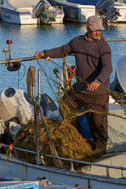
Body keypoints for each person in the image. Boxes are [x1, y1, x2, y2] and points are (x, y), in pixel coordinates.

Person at [34, 15, 111, 153]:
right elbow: (63, 50)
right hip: (80, 90)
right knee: (65, 105)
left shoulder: (103, 46)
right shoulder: (77, 42)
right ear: (87, 28)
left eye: (100, 30)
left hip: (98, 93)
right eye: (95, 30)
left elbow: (108, 67)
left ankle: (100, 149)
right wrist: (44, 53)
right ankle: (77, 136)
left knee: (97, 123)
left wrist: (98, 81)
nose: (98, 33)